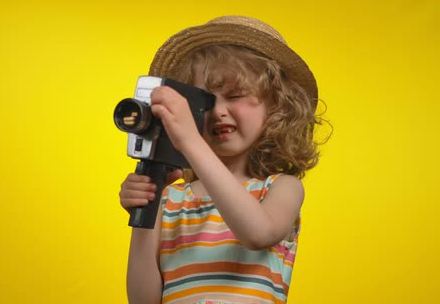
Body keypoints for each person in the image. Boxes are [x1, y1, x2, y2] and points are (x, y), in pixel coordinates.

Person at [119, 16, 326, 304]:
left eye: (235, 95)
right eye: (205, 101)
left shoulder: (280, 188)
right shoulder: (170, 199)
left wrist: (190, 142)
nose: (218, 112)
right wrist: (145, 214)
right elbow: (142, 300)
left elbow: (258, 233)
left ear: (277, 107)